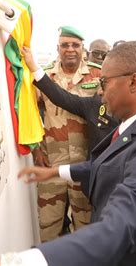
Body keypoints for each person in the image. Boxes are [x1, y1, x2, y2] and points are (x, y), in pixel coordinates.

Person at [13, 41, 136, 266]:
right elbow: (109, 165)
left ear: (134, 81)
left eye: (105, 81)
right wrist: (55, 172)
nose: (100, 89)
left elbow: (121, 224)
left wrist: (18, 262)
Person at [34, 25, 100, 242]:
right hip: (52, 164)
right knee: (48, 225)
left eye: (75, 45)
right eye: (65, 45)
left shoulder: (98, 74)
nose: (70, 49)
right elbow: (30, 114)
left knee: (86, 227)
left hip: (85, 165)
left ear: (83, 48)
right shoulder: (43, 76)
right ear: (57, 48)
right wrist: (35, 148)